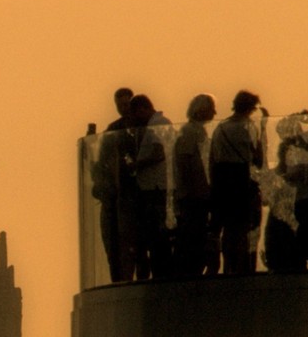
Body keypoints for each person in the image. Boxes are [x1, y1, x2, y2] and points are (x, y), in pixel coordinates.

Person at [210, 90, 265, 274]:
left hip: (222, 181)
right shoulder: (248, 127)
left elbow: (213, 158)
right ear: (251, 108)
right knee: (243, 228)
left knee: (228, 229)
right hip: (242, 180)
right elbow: (258, 159)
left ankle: (228, 267)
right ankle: (243, 268)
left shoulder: (220, 128)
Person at [121, 95, 172, 280]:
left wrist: (137, 165)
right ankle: (159, 271)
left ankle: (161, 273)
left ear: (142, 109)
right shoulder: (154, 124)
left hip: (156, 188)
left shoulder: (158, 124)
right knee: (153, 235)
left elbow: (159, 152)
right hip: (152, 187)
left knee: (157, 234)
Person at [92, 88, 135, 281]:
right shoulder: (113, 130)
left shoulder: (141, 128)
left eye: (126, 104)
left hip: (132, 197)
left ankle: (129, 281)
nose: (123, 108)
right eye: (119, 105)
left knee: (132, 247)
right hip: (113, 198)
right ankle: (118, 282)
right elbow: (101, 162)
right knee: (113, 247)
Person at [173, 94, 217, 276]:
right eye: (211, 108)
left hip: (197, 195)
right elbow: (184, 164)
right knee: (193, 238)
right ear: (200, 111)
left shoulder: (196, 132)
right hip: (193, 197)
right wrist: (192, 190)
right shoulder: (190, 132)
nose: (215, 113)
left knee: (197, 237)